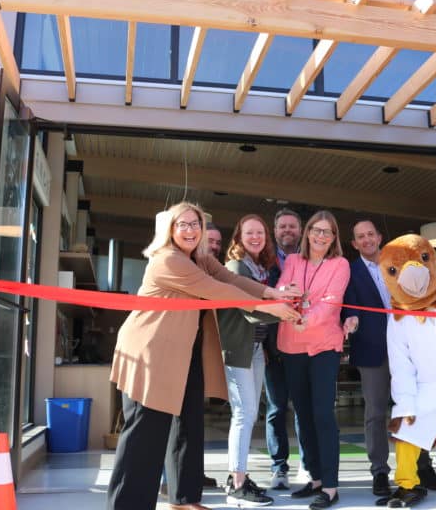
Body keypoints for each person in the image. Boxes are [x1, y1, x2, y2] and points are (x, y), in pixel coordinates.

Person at [106, 202, 300, 510]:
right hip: (152, 352)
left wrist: (271, 293)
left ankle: (183, 500)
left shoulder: (199, 258)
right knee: (145, 432)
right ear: (170, 229)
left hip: (186, 351)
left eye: (195, 224)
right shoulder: (168, 260)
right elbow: (216, 290)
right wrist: (265, 307)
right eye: (182, 224)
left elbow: (230, 279)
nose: (190, 230)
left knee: (188, 424)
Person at [341, 220, 436, 497]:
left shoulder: (401, 262)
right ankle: (379, 471)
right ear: (354, 243)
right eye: (360, 237)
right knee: (376, 413)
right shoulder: (350, 271)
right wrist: (349, 320)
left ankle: (422, 467)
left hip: (411, 348)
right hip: (372, 350)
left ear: (379, 236)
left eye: (370, 234)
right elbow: (345, 306)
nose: (366, 240)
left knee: (416, 407)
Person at [277, 210, 350, 510]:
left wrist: (304, 320)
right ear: (307, 233)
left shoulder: (340, 264)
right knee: (303, 416)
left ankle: (331, 488)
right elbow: (281, 291)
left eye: (327, 232)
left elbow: (332, 304)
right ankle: (316, 479)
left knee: (322, 415)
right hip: (291, 345)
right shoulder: (294, 261)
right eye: (316, 230)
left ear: (334, 238)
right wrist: (285, 295)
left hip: (323, 346)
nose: (320, 236)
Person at [217, 215, 281, 506]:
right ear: (239, 237)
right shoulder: (235, 266)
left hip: (253, 350)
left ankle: (239, 475)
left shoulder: (257, 267)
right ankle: (237, 482)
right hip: (238, 351)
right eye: (249, 233)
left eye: (260, 233)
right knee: (243, 415)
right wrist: (285, 311)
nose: (256, 237)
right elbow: (250, 311)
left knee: (249, 413)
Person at [263, 208, 305, 489]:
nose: (287, 231)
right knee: (276, 408)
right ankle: (279, 467)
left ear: (300, 230)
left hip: (303, 346)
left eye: (292, 226)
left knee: (304, 408)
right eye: (282, 227)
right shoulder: (264, 262)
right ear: (275, 231)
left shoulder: (310, 260)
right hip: (273, 349)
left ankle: (307, 463)